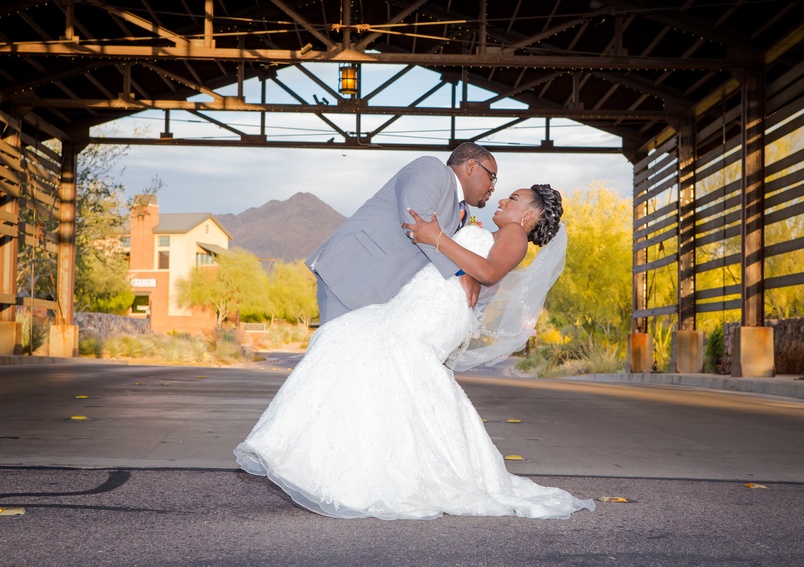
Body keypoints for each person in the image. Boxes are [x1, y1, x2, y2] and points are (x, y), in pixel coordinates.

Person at [235, 184, 595, 520]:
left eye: (513, 199)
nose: (502, 200)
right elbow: (474, 268)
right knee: (372, 358)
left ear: (529, 215)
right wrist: (452, 255)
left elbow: (488, 272)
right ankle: (346, 464)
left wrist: (437, 238)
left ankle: (328, 462)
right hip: (422, 301)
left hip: (435, 310)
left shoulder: (515, 234)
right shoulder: (501, 233)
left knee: (363, 346)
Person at [305, 142, 497, 324]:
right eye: (492, 177)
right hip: (354, 275)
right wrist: (459, 272)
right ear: (471, 166)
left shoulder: (463, 213)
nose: (492, 187)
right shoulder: (432, 168)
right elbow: (416, 221)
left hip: (386, 295)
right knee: (336, 345)